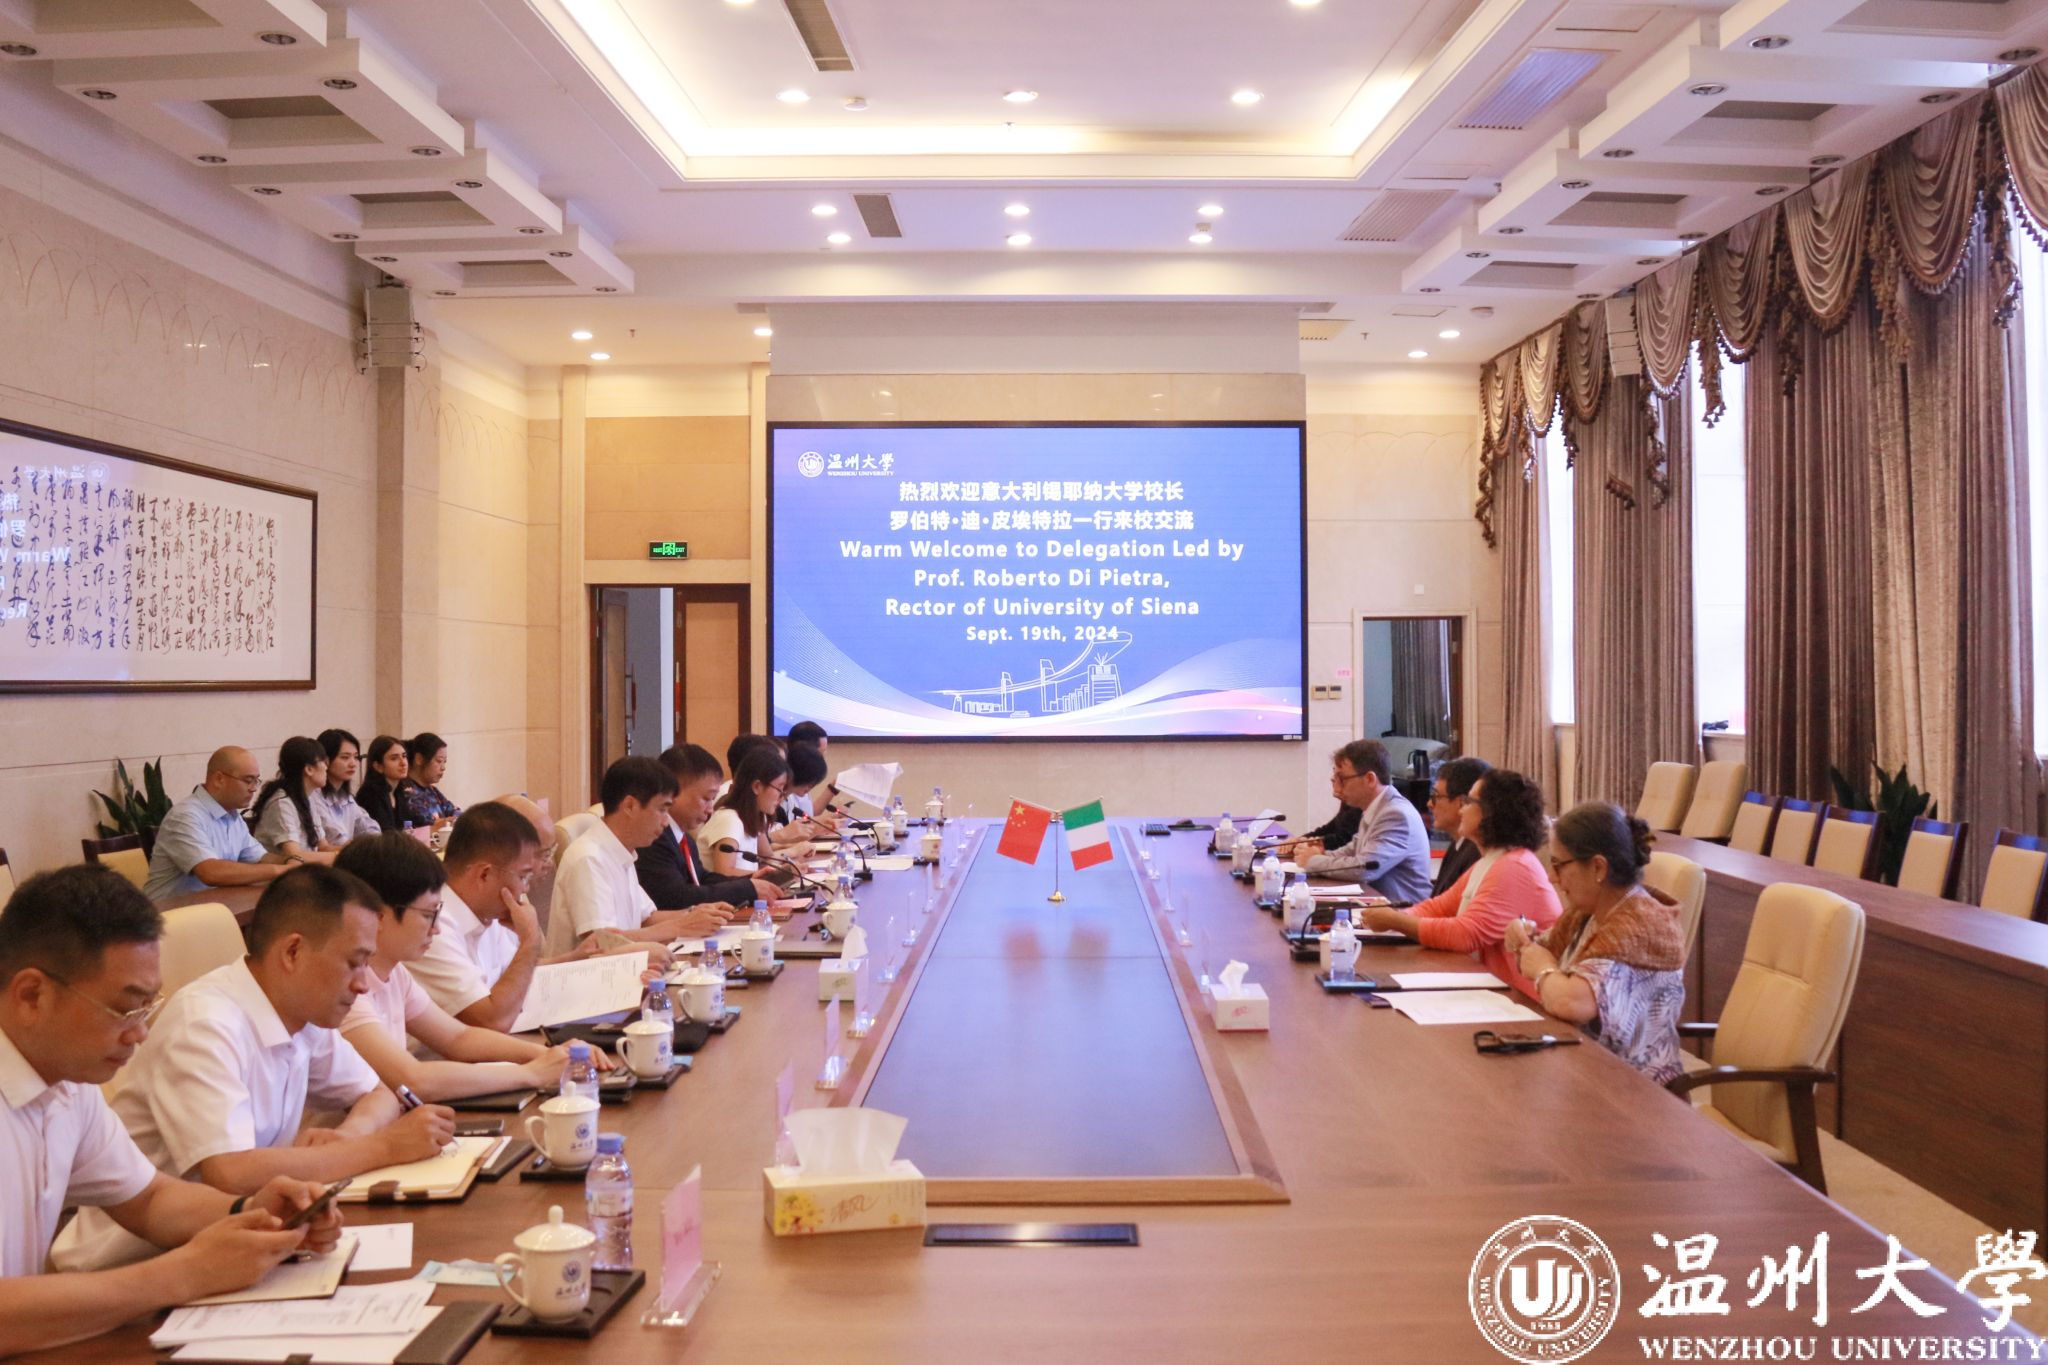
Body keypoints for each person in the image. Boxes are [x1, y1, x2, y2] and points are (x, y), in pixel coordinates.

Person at [0, 866, 345, 1356]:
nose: (140, 1033)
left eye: (147, 1007)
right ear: (32, 995)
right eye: (125, 1009)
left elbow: (148, 1198)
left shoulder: (67, 1080)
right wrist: (182, 1274)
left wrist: (252, 1212)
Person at [54, 866, 453, 1270]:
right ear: (293, 952)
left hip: (228, 1242)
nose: (363, 983)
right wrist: (382, 1147)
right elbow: (232, 1173)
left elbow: (380, 1093)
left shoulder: (304, 1011)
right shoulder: (205, 1023)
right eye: (354, 962)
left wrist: (350, 1137)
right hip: (128, 1264)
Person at [332, 835, 580, 1099]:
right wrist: (531, 1073)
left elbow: (458, 1038)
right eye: (428, 915)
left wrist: (550, 1054)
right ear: (379, 916)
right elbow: (412, 1080)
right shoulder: (342, 987)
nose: (436, 928)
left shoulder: (395, 973)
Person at [1505, 803, 1687, 1083]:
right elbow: (1539, 953)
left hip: (1634, 1090)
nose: (1552, 877)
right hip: (1582, 1068)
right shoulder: (1588, 912)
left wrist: (1542, 967)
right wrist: (1521, 938)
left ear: (1598, 867)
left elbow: (1572, 1001)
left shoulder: (1640, 926)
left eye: (1559, 865)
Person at [1359, 769, 1561, 990]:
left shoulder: (1515, 866)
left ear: (1493, 811)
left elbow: (1466, 934)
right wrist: (1393, 915)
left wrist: (1395, 921)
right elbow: (1438, 907)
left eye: (1469, 802)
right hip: (1495, 988)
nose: (1462, 809)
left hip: (1522, 999)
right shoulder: (1492, 861)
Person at [546, 757, 704, 958]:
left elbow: (647, 918)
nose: (666, 822)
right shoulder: (588, 858)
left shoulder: (622, 851)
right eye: (662, 810)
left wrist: (696, 914)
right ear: (630, 806)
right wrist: (679, 927)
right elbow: (602, 943)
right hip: (589, 975)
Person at [639, 745, 780, 915]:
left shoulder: (683, 838)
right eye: (707, 798)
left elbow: (702, 879)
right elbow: (676, 897)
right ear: (673, 792)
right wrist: (746, 889)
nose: (710, 809)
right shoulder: (653, 839)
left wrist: (748, 880)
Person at [142, 747, 296, 901]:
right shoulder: (185, 816)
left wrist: (291, 862)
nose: (254, 789)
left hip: (214, 906)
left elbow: (260, 857)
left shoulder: (233, 816)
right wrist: (279, 871)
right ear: (219, 779)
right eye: (248, 781)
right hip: (170, 911)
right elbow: (211, 872)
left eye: (256, 781)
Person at [1291, 740, 1433, 904]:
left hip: (1402, 912)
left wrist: (1313, 861)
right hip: (1376, 906)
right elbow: (1352, 850)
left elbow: (1364, 868)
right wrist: (1317, 855)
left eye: (1342, 779)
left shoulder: (1395, 814)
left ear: (1370, 779)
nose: (1337, 787)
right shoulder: (1375, 807)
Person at [700, 746, 792, 880]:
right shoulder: (729, 819)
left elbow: (767, 856)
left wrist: (792, 870)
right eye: (779, 789)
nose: (782, 797)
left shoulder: (754, 815)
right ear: (757, 787)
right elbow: (723, 873)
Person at [250, 736, 340, 865]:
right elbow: (294, 856)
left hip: (306, 871)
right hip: (284, 875)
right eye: (323, 762)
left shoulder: (308, 797)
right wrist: (339, 857)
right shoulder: (281, 803)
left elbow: (323, 847)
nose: (327, 767)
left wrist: (354, 850)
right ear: (309, 769)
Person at [1427, 756, 1493, 898]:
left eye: (1436, 796)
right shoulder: (1457, 844)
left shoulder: (1478, 852)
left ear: (1462, 802)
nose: (1430, 804)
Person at [313, 728, 385, 846]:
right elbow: (335, 838)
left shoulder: (345, 796)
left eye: (356, 757)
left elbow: (368, 826)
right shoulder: (315, 796)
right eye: (345, 757)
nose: (353, 764)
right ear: (325, 760)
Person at [766, 742, 834, 848]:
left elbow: (788, 838)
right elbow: (763, 847)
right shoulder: (765, 803)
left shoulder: (787, 800)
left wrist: (818, 827)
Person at [395, 733, 459, 830]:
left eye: (444, 762)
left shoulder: (432, 791)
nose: (443, 768)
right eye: (439, 761)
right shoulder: (405, 792)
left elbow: (453, 811)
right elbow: (422, 824)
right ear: (419, 759)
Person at [355, 735, 408, 833]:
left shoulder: (398, 791)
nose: (403, 763)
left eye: (404, 756)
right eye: (394, 758)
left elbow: (410, 821)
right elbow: (385, 831)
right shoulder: (369, 794)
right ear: (378, 766)